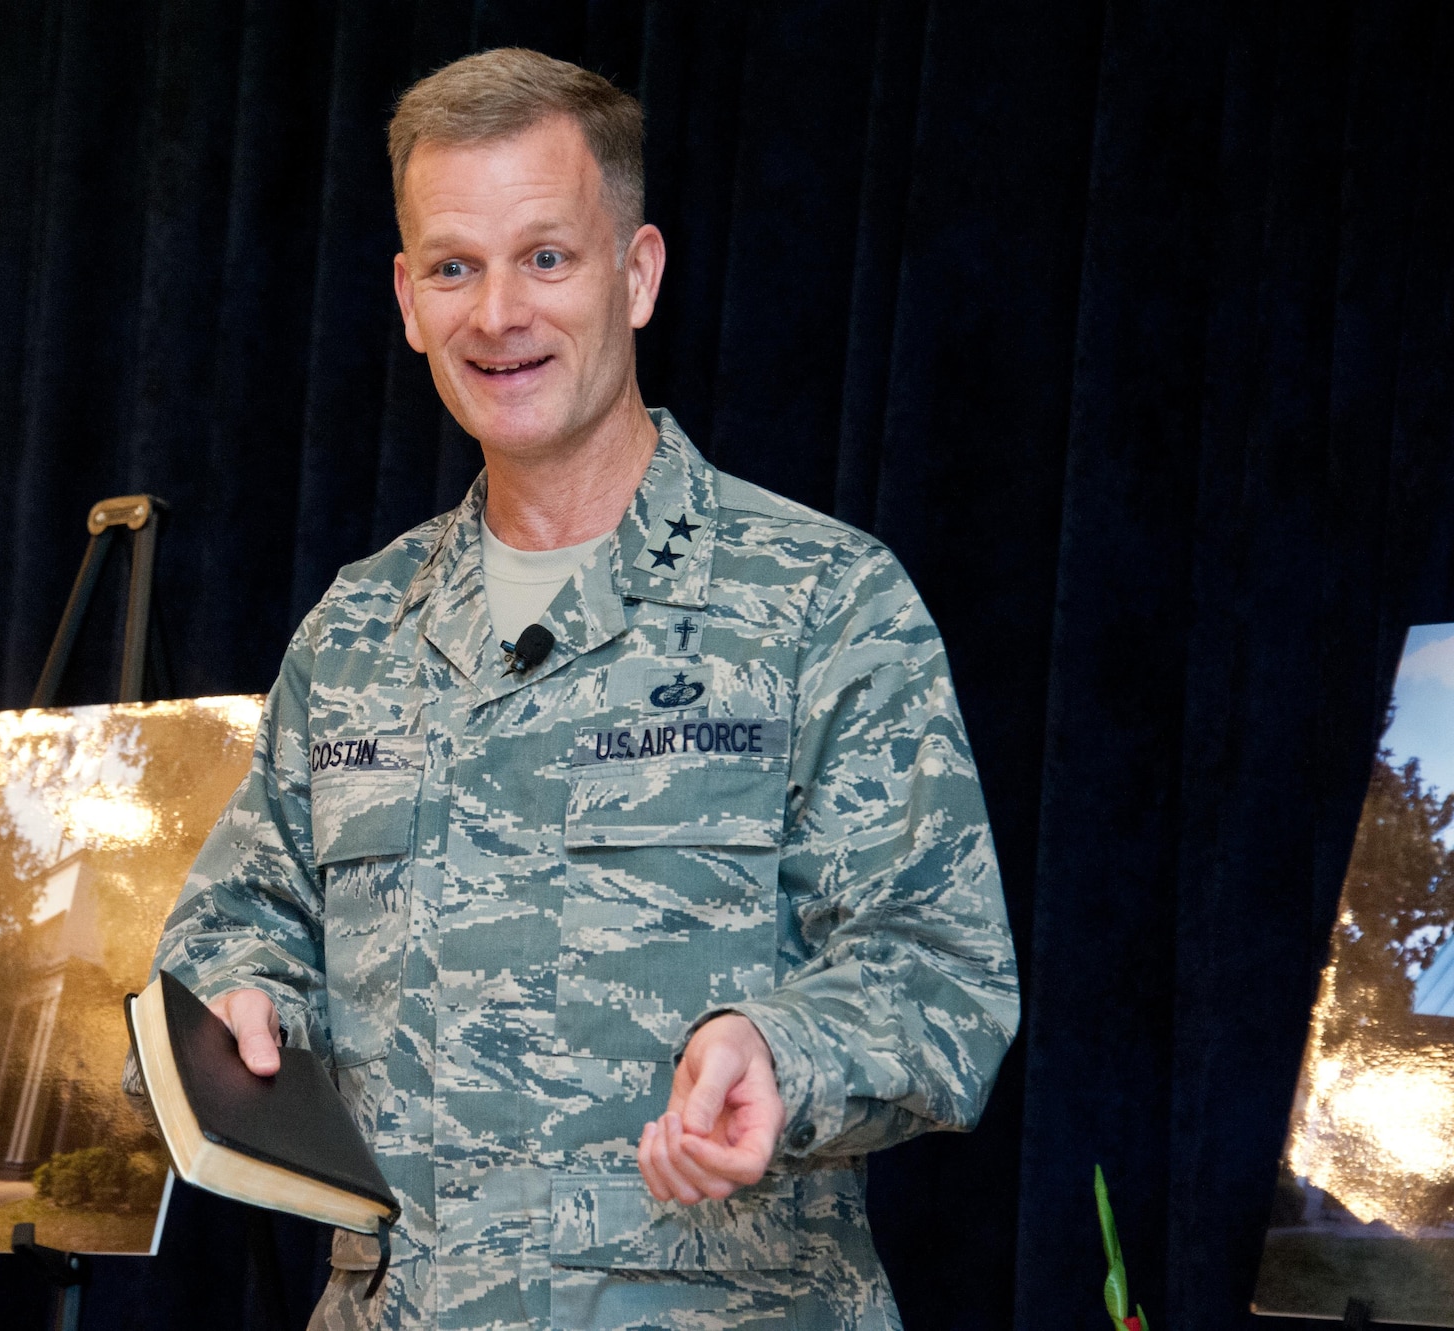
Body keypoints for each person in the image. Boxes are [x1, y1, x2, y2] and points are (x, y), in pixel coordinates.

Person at [137, 47, 1019, 1330]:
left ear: (636, 271)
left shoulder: (821, 601)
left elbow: (941, 978)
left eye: (545, 256)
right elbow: (233, 930)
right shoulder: (357, 629)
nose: (498, 313)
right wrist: (241, 998)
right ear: (405, 297)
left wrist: (781, 1052)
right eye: (454, 266)